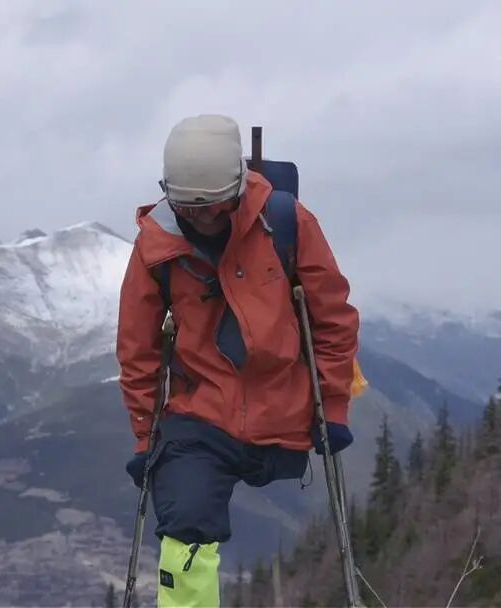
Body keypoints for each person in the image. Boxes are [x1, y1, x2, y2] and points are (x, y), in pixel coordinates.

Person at [116, 114, 360, 607]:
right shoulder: (157, 245)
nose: (202, 219)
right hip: (199, 414)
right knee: (185, 523)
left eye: (214, 208)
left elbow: (332, 319)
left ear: (238, 188)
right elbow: (138, 348)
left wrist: (332, 408)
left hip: (284, 410)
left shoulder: (287, 224)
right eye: (189, 208)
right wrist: (146, 438)